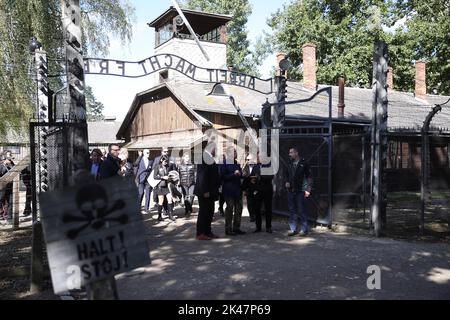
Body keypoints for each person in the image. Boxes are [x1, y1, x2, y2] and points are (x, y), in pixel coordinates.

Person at [194, 140, 220, 240]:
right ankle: (200, 233)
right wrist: (205, 190)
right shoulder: (204, 157)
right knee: (204, 212)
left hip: (211, 191)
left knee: (210, 212)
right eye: (215, 148)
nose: (216, 150)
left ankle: (208, 232)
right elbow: (202, 176)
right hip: (205, 191)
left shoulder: (209, 158)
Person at [284, 147, 313, 236]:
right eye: (289, 153)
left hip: (300, 191)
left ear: (296, 153)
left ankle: (304, 230)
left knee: (301, 210)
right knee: (292, 210)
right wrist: (287, 182)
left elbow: (309, 177)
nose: (290, 154)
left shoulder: (304, 163)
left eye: (291, 152)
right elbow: (287, 175)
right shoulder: (289, 163)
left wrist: (308, 189)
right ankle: (293, 229)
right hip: (291, 190)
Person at [242, 153, 273, 233]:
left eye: (260, 156)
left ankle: (268, 227)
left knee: (268, 209)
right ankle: (258, 227)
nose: (259, 158)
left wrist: (260, 176)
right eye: (258, 157)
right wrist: (251, 180)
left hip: (267, 191)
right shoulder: (256, 166)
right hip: (257, 191)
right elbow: (252, 176)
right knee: (257, 209)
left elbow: (271, 176)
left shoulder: (268, 165)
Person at [220, 147, 245, 236]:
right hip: (228, 190)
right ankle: (228, 229)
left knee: (239, 209)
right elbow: (223, 177)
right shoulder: (224, 164)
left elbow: (241, 174)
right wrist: (233, 174)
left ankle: (237, 227)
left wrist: (241, 174)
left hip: (237, 190)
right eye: (234, 152)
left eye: (235, 152)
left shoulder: (237, 163)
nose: (236, 153)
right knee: (229, 209)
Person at [153, 156, 177, 222]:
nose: (166, 163)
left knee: (170, 200)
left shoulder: (168, 166)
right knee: (161, 201)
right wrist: (163, 177)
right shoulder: (157, 166)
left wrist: (171, 177)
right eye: (164, 161)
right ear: (161, 160)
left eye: (167, 161)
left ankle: (170, 215)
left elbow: (170, 173)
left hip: (167, 186)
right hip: (160, 186)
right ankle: (159, 216)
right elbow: (154, 176)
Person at [178, 153, 196, 218]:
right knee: (186, 196)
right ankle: (187, 210)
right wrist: (179, 183)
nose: (187, 158)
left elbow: (195, 174)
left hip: (192, 183)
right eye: (186, 157)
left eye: (188, 157)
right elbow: (178, 175)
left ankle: (189, 207)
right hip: (184, 183)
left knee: (192, 196)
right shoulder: (180, 166)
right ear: (183, 158)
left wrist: (195, 182)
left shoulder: (193, 165)